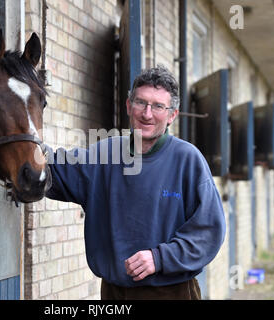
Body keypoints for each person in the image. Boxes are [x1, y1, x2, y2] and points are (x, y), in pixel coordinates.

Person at [45, 65, 226, 300]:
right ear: (129, 106)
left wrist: (160, 258)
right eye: (140, 102)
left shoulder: (188, 160)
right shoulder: (104, 154)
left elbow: (209, 232)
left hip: (172, 292)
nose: (147, 114)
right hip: (114, 293)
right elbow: (53, 170)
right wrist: (19, 140)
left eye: (158, 106)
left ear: (172, 115)